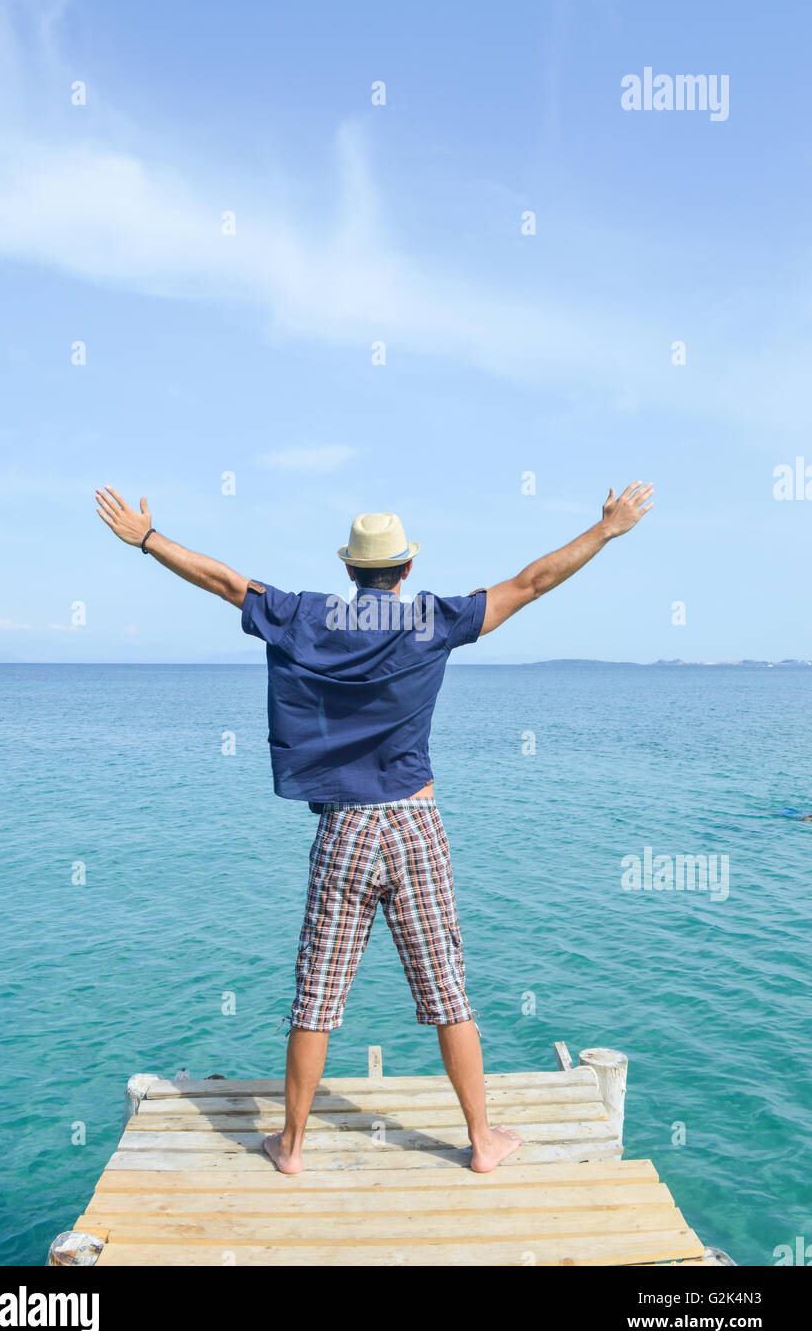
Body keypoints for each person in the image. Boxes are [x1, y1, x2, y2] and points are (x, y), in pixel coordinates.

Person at [95, 480, 654, 1173]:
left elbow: (223, 582)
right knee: (448, 989)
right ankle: (481, 1142)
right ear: (406, 569)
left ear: (349, 570)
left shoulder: (307, 617)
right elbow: (532, 583)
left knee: (317, 994)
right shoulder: (432, 619)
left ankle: (292, 1146)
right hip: (415, 823)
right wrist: (606, 530)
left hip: (345, 830)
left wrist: (147, 539)